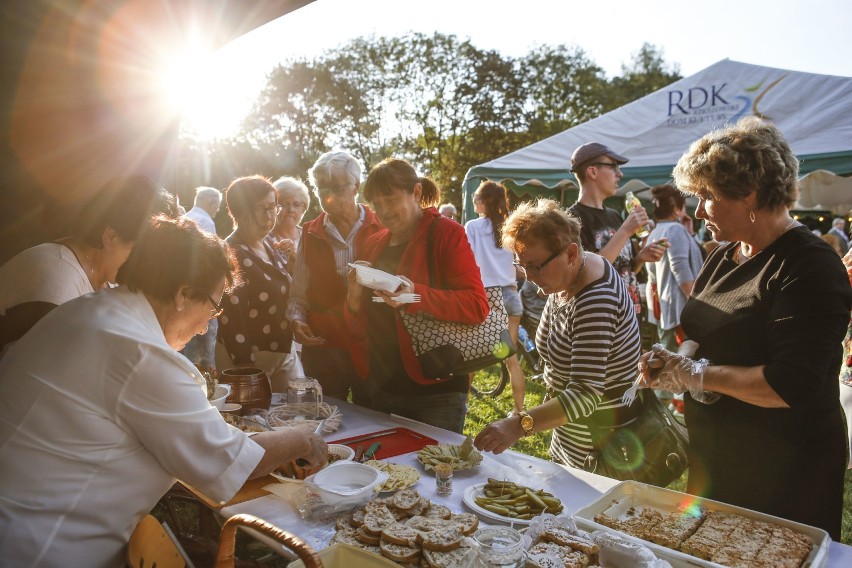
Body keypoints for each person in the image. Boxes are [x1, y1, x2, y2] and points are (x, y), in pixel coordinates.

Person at [0, 217, 326, 566]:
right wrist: (303, 437)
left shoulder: (88, 310)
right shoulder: (138, 351)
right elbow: (227, 461)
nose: (205, 328)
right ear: (184, 294)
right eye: (214, 307)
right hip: (41, 548)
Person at [637, 117, 851, 539]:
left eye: (706, 197)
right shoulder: (724, 254)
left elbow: (792, 383)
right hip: (718, 454)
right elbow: (705, 328)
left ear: (748, 194)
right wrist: (676, 360)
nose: (698, 212)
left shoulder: (809, 266)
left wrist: (696, 374)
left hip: (784, 468)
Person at [474, 199, 642, 470]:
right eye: (522, 265)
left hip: (600, 446)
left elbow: (585, 394)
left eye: (536, 266)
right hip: (570, 435)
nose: (528, 276)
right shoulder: (567, 277)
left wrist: (517, 426)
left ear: (571, 253)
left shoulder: (596, 299)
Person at [345, 158, 488, 433]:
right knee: (383, 472)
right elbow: (359, 316)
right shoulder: (374, 241)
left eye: (391, 198)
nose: (384, 211)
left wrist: (414, 296)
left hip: (435, 391)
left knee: (435, 472)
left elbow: (476, 305)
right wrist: (353, 294)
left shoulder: (447, 233)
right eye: (377, 203)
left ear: (417, 193)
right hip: (377, 388)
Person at [0, 175, 176, 354]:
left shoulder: (107, 280)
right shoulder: (57, 280)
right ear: (110, 237)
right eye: (141, 252)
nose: (146, 264)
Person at [286, 151, 383, 401]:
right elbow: (298, 296)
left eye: (338, 189)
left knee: (375, 420)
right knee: (326, 419)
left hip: (373, 346)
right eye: (321, 189)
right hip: (323, 347)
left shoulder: (380, 227)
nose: (328, 197)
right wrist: (297, 321)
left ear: (356, 188)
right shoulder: (310, 233)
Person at [567, 143, 665, 316]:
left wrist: (640, 258)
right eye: (613, 167)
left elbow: (622, 271)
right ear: (592, 172)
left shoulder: (615, 216)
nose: (620, 174)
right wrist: (626, 230)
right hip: (602, 318)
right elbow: (587, 273)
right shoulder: (571, 219)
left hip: (630, 314)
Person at [218, 176, 296, 392]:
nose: (269, 216)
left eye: (273, 207)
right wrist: (246, 368)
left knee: (297, 415)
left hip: (283, 352)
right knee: (257, 423)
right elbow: (230, 317)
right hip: (247, 361)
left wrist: (293, 266)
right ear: (238, 212)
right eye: (261, 209)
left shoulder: (271, 244)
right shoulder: (230, 252)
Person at [465, 181, 526, 414]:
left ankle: (464, 404)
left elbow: (466, 259)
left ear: (481, 202)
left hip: (486, 296)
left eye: (475, 200)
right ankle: (519, 411)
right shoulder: (511, 227)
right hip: (510, 294)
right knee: (511, 358)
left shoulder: (472, 226)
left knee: (472, 354)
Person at [645, 184, 704, 351]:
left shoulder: (656, 231)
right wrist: (695, 301)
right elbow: (680, 267)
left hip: (665, 305)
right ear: (677, 209)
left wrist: (690, 233)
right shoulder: (675, 229)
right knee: (679, 359)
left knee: (666, 354)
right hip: (680, 307)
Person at [181, 185, 223, 370]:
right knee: (204, 360)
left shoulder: (184, 218)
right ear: (212, 203)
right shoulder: (205, 222)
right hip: (201, 297)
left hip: (182, 296)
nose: (217, 211)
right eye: (218, 206)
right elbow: (210, 265)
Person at [268, 176, 310, 261]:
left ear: (304, 208)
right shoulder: (264, 239)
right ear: (273, 207)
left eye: (296, 204)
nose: (291, 210)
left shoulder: (310, 237)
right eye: (284, 204)